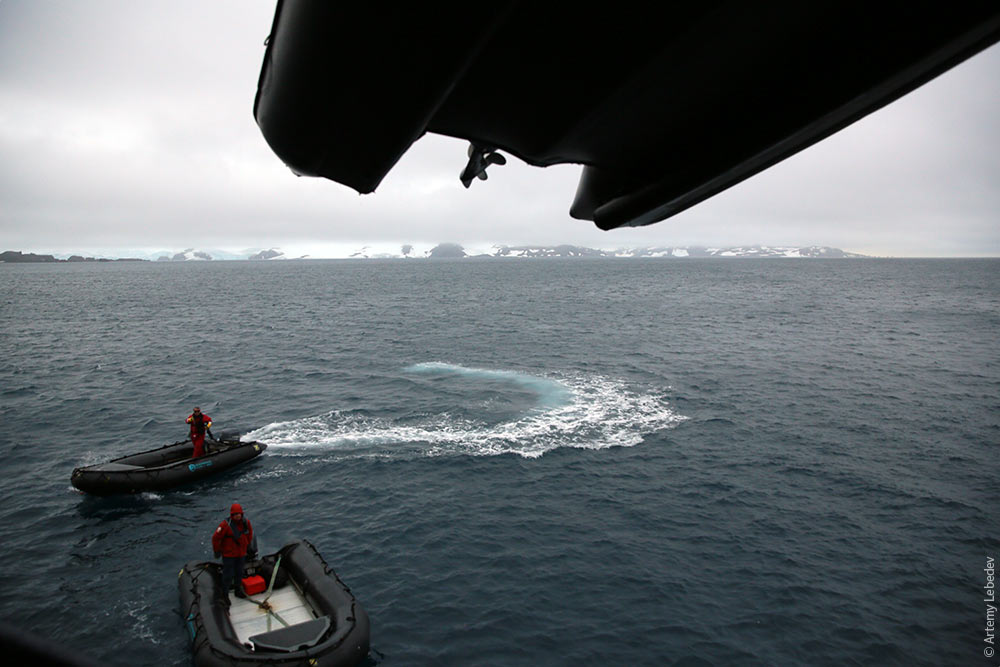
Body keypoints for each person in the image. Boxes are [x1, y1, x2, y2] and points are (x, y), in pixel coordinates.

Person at [212, 502, 258, 601]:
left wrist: (246, 545)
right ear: (232, 515)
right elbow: (216, 538)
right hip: (229, 555)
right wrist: (217, 551)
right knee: (227, 575)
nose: (238, 516)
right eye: (235, 514)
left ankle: (238, 590)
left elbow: (249, 534)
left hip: (241, 553)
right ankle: (225, 595)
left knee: (239, 573)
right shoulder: (225, 525)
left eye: (239, 514)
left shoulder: (246, 522)